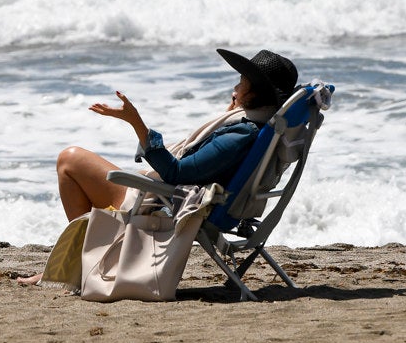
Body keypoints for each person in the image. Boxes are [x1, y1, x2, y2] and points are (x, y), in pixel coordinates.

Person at [54, 48, 299, 222]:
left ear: (256, 93)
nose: (235, 88)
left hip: (163, 201)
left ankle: (77, 261)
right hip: (190, 198)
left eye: (242, 82)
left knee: (70, 159)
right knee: (77, 162)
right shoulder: (254, 127)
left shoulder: (241, 134)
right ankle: (79, 257)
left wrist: (136, 123)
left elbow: (176, 173)